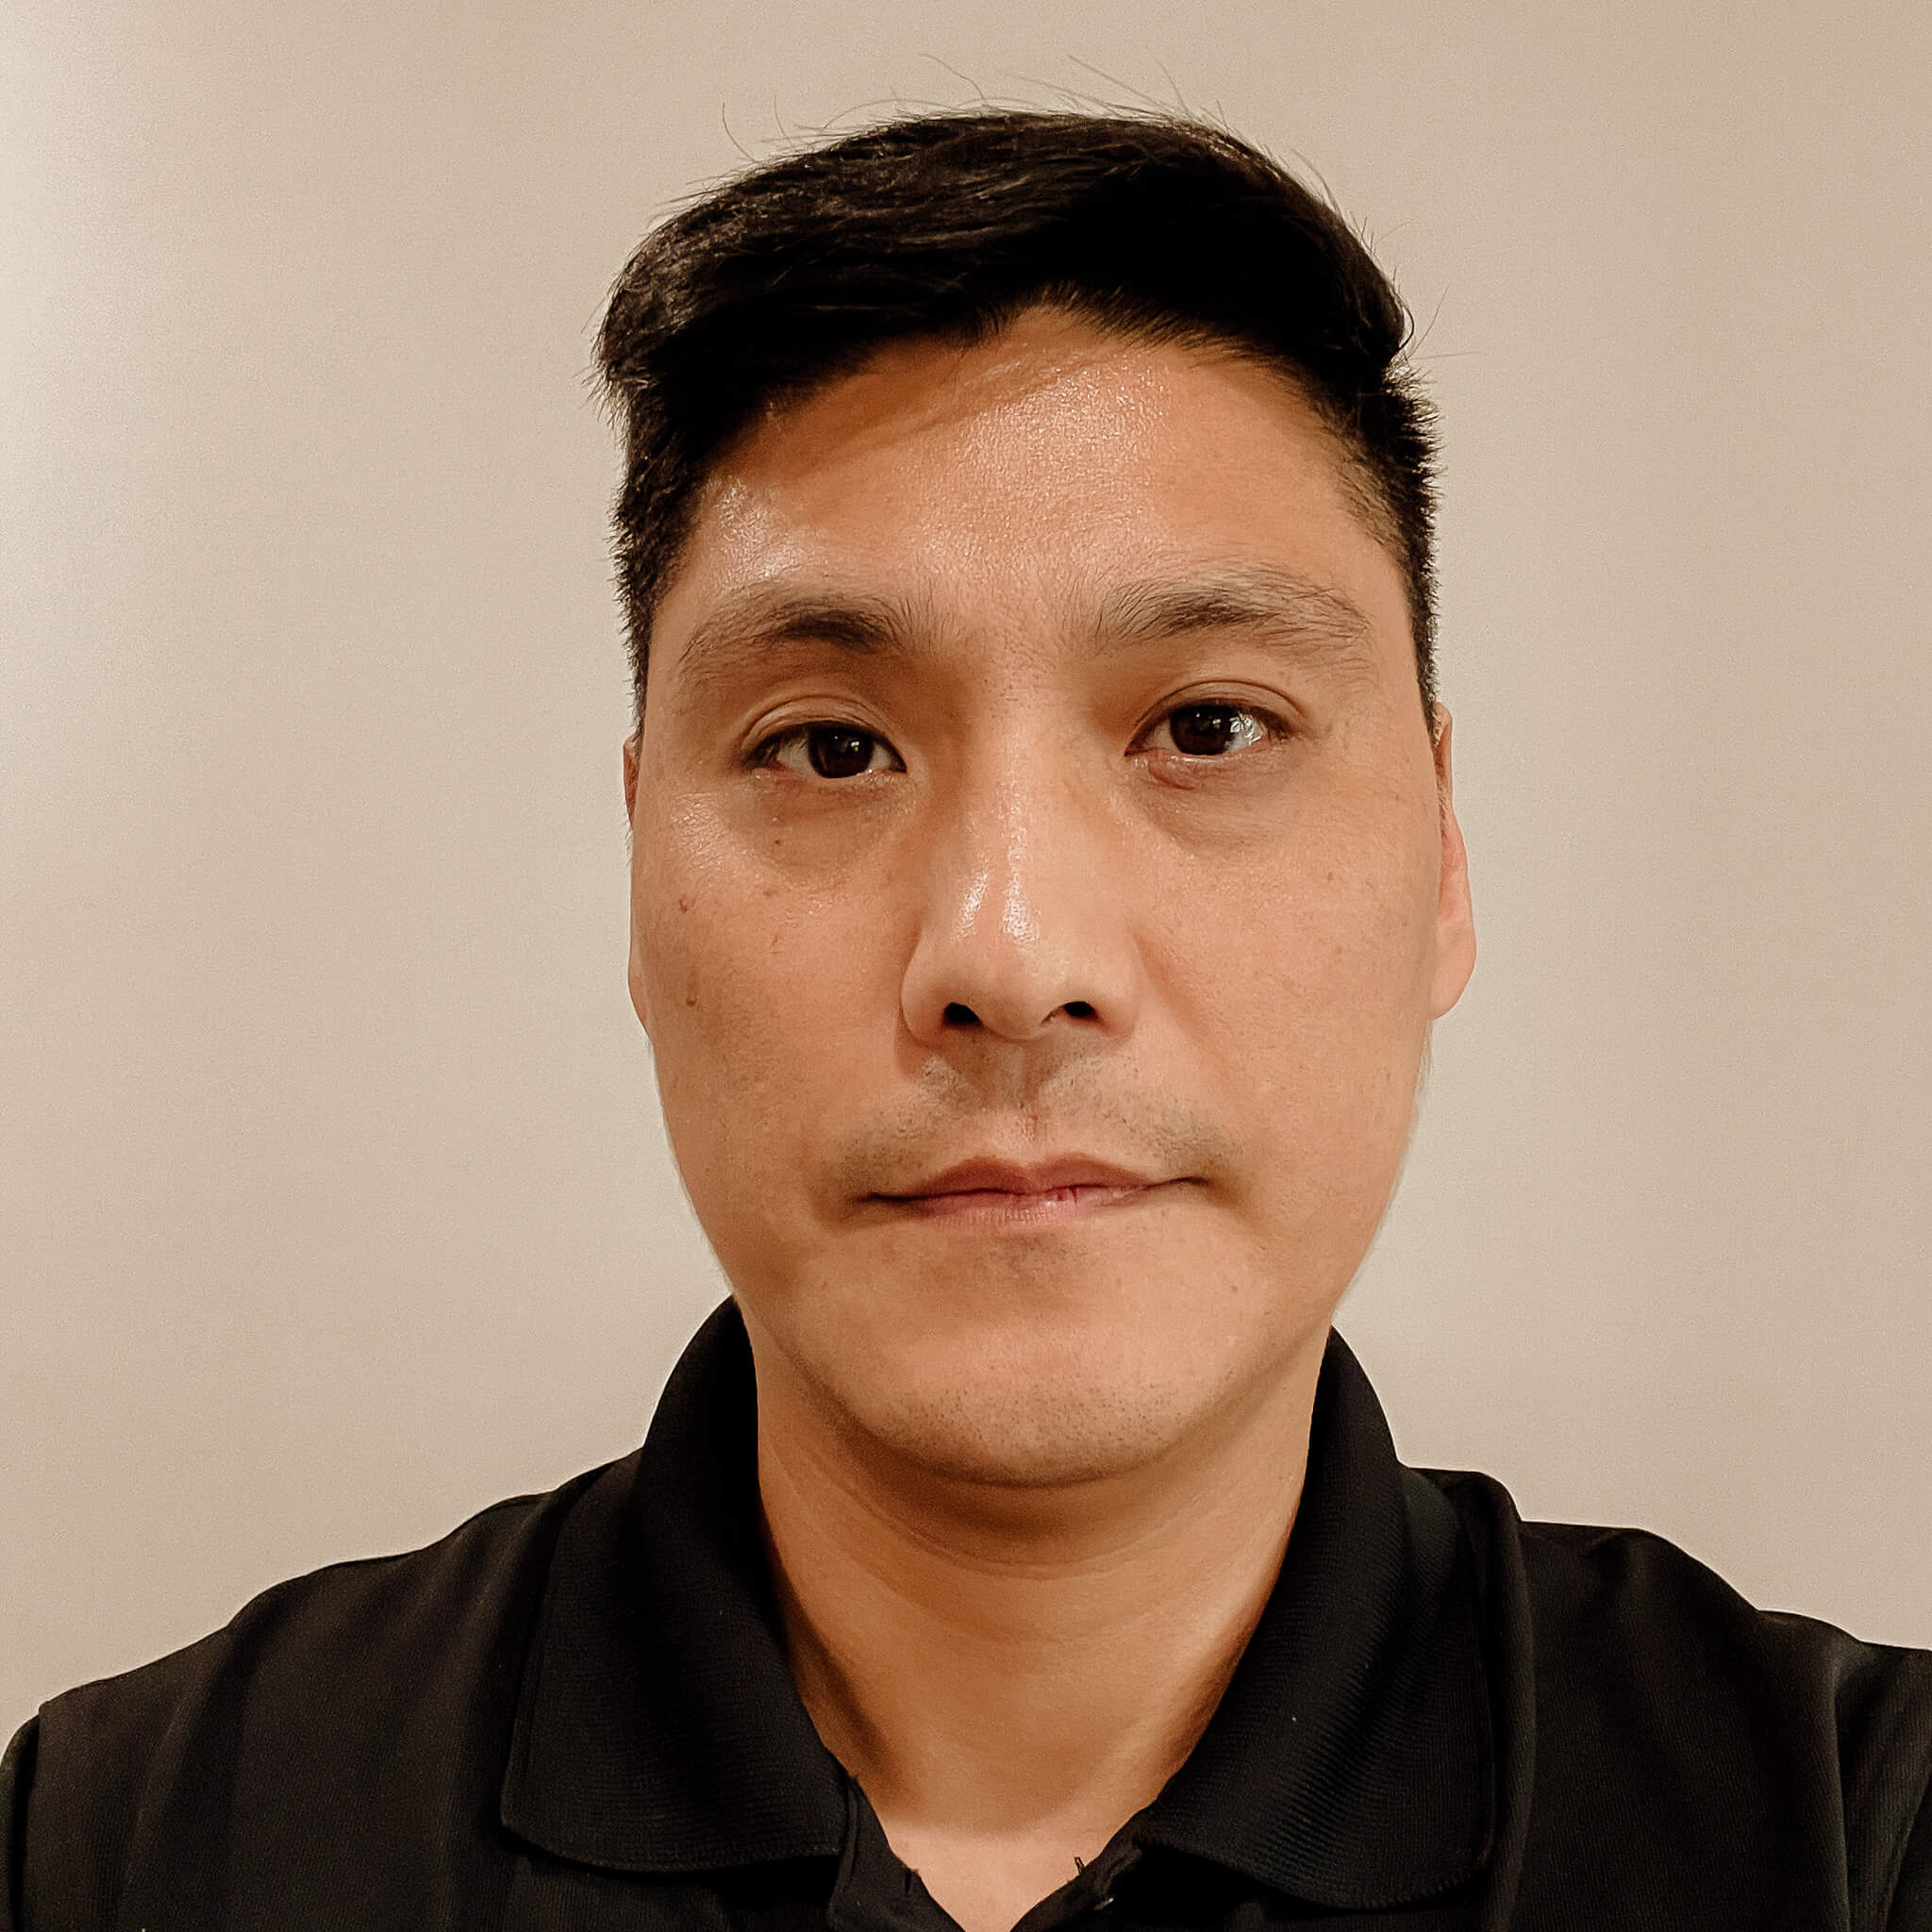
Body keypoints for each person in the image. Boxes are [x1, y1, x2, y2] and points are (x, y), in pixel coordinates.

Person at [4, 108, 1928, 1932]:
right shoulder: (144, 1839)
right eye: (831, 748)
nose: (1009, 956)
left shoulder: (1852, 1838)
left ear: (1441, 856)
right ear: (636, 861)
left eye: (1207, 726)